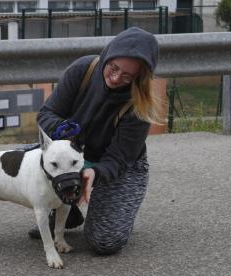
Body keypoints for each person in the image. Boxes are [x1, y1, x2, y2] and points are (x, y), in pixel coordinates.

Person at [29, 27, 163, 255]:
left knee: (105, 242)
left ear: (140, 77)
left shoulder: (140, 105)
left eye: (127, 76)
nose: (116, 77)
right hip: (75, 153)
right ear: (107, 56)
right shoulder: (84, 69)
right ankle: (67, 209)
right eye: (113, 68)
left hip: (119, 166)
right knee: (21, 161)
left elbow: (119, 158)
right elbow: (46, 114)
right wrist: (65, 130)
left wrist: (95, 173)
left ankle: (117, 214)